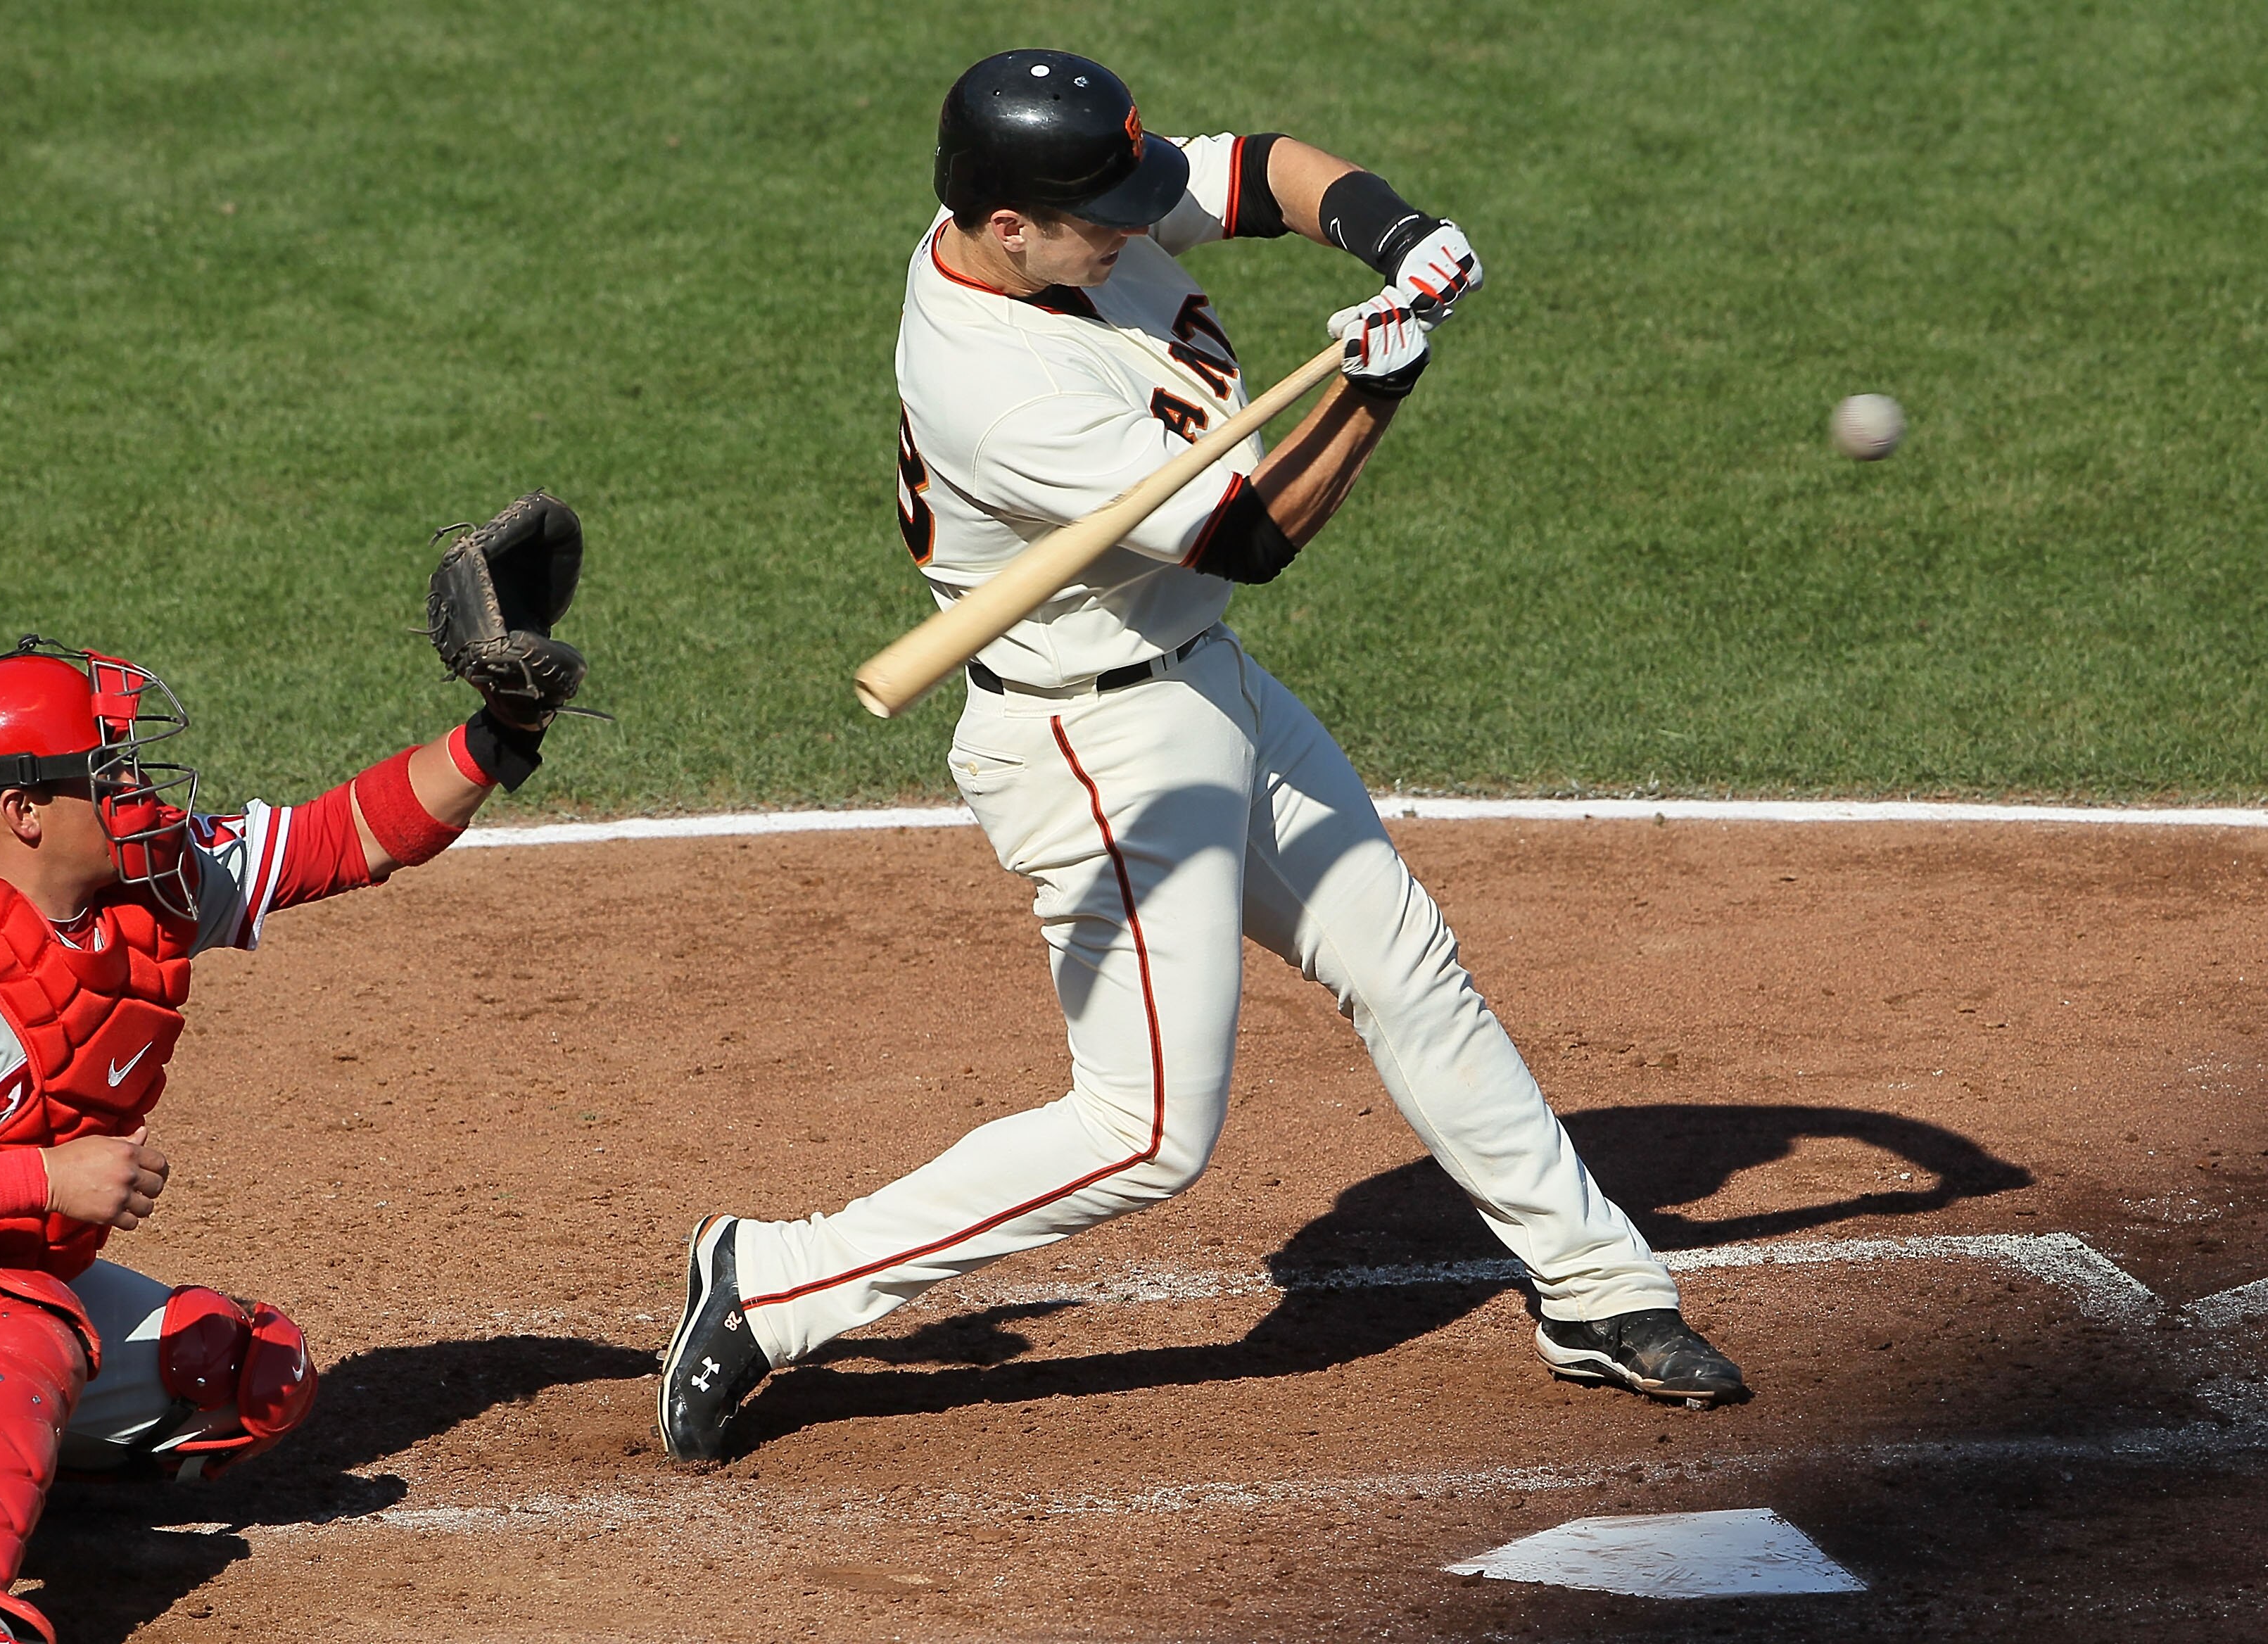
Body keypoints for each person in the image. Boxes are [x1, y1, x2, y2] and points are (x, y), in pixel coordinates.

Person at [656, 50, 1745, 1463]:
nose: (1134, 229)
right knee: (1147, 1128)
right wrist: (1373, 395)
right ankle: (770, 1279)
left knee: (1404, 963)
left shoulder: (1059, 224)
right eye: (1103, 217)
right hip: (1096, 741)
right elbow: (1254, 535)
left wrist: (1396, 234)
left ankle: (1596, 1292)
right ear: (1007, 226)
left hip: (1200, 674)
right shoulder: (998, 379)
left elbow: (1255, 170)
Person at [0, 501, 583, 1644]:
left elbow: (339, 838)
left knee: (236, 1370)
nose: (134, 783)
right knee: (17, 1333)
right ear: (21, 812)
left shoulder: (147, 885)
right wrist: (42, 1183)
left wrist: (496, 734)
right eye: (101, 768)